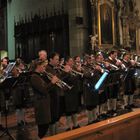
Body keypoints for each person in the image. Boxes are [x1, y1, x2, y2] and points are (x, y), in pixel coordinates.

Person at [30, 60, 59, 138]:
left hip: (44, 103)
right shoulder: (34, 77)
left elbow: (46, 88)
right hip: (40, 104)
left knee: (45, 125)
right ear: (38, 66)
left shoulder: (39, 76)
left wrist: (53, 82)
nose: (44, 68)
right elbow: (43, 90)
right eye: (43, 66)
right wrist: (52, 82)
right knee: (43, 127)